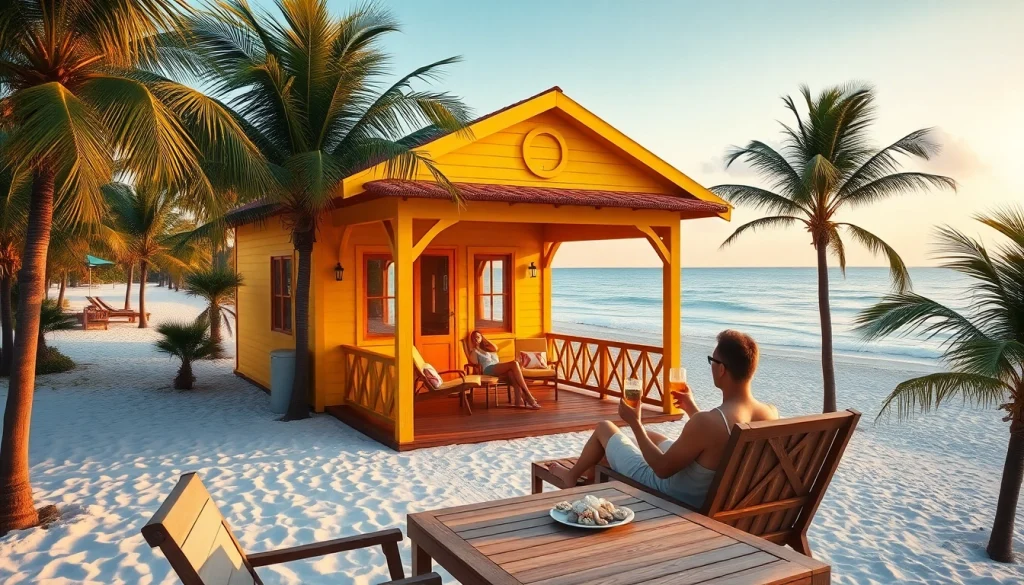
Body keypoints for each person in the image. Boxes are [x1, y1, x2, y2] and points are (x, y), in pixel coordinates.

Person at [548, 330, 778, 508]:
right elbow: (715, 439)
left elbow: (661, 469)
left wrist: (635, 422)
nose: (712, 366)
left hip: (673, 492)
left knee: (605, 428)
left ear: (721, 370)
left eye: (712, 361)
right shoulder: (769, 413)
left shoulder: (709, 423)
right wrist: (691, 408)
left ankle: (571, 476)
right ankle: (597, 472)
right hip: (714, 494)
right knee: (653, 436)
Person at [466, 330, 542, 409]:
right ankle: (528, 395)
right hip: (488, 369)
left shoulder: (487, 348)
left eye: (478, 337)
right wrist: (473, 348)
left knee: (511, 373)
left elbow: (495, 348)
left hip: (497, 366)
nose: (476, 339)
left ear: (482, 338)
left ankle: (518, 401)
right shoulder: (474, 351)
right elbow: (473, 362)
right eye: (474, 338)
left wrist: (484, 339)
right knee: (514, 364)